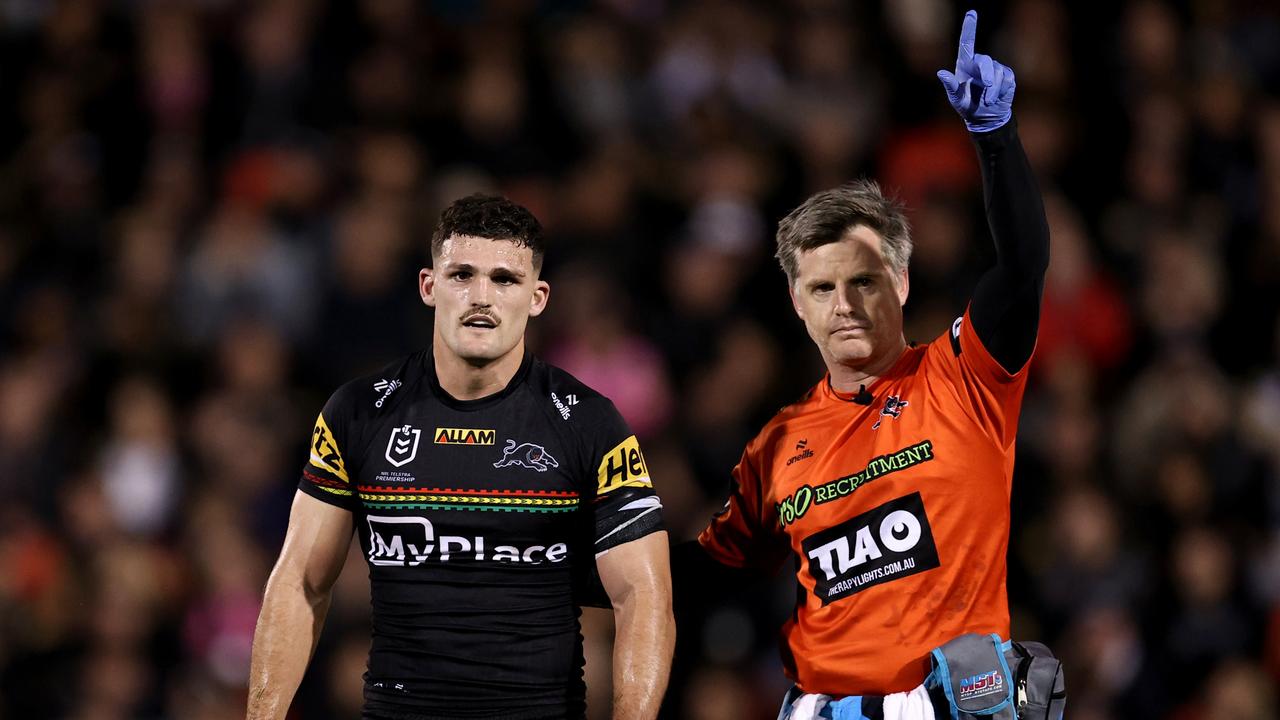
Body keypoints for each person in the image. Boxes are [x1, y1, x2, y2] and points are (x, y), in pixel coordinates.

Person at [680, 11, 1051, 719]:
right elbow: (704, 571)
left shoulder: (964, 374)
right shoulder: (780, 444)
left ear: (902, 284)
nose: (844, 305)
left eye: (865, 281)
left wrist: (995, 137)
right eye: (823, 287)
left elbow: (1025, 264)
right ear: (797, 302)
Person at [247, 194, 674, 720]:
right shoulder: (357, 413)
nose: (481, 297)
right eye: (462, 274)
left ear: (537, 298)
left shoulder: (589, 423)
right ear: (429, 286)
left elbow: (644, 598)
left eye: (505, 279)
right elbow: (300, 583)